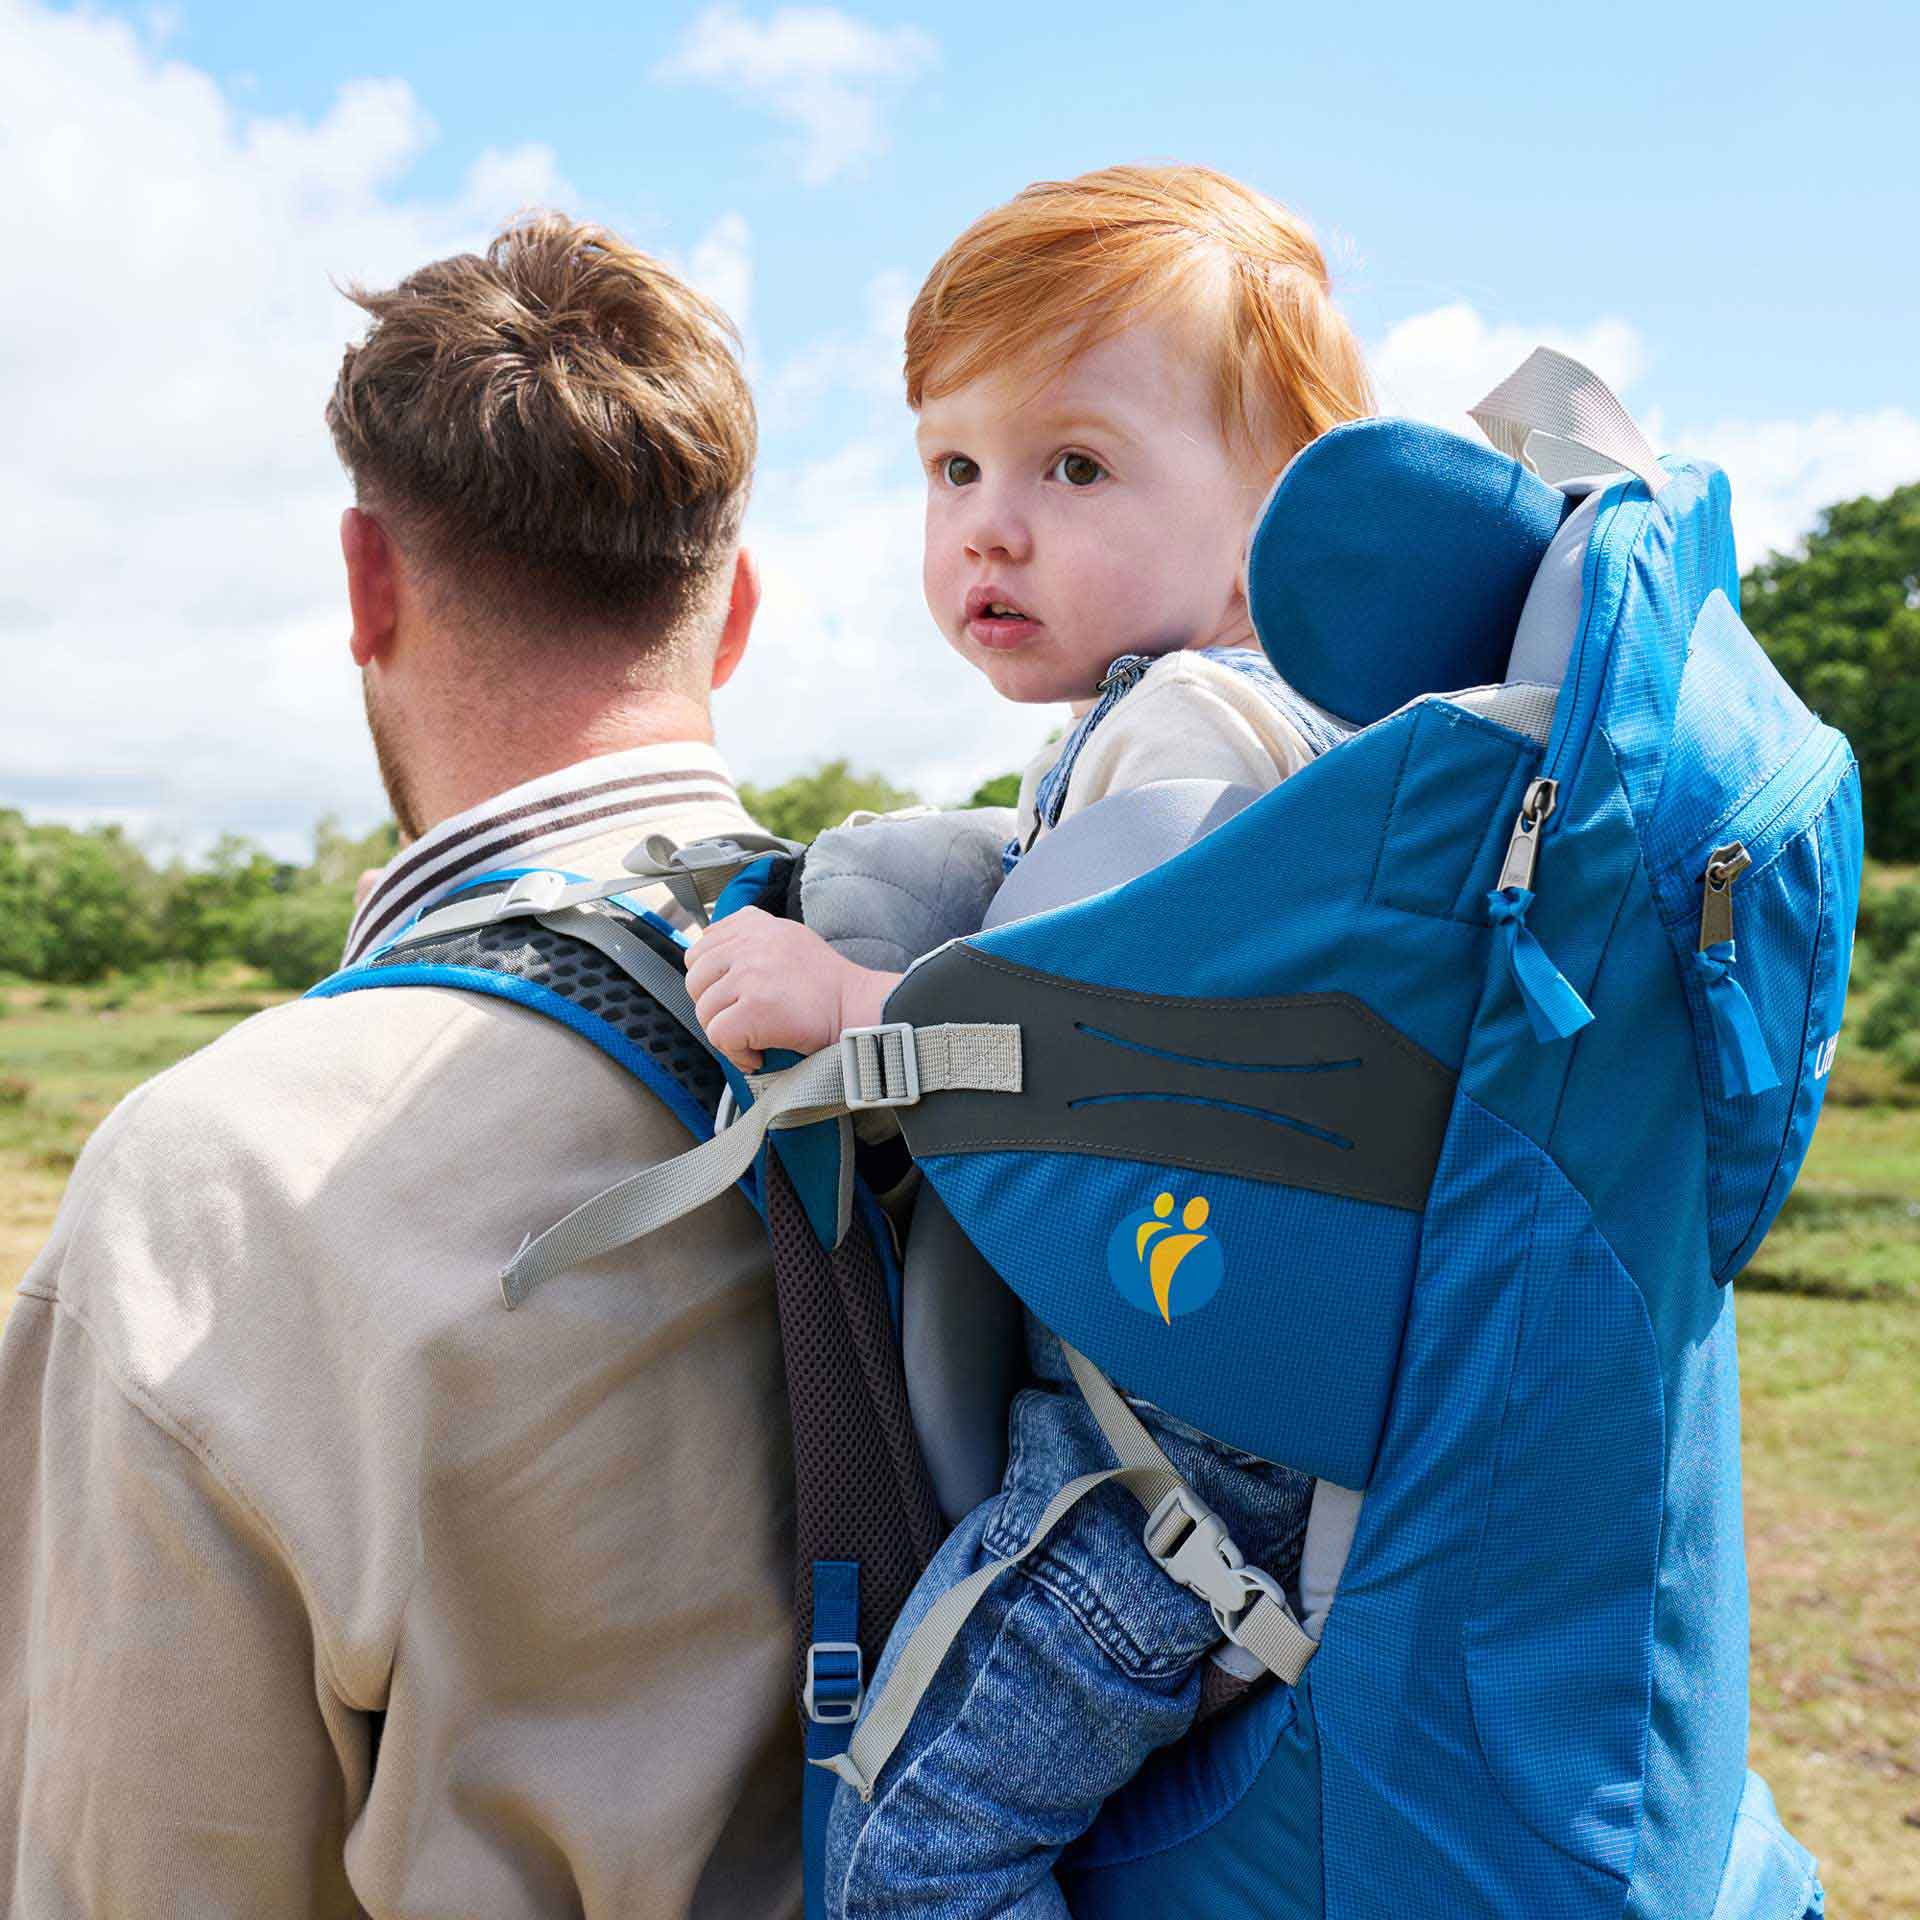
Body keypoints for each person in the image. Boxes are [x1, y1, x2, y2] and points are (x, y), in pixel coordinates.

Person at [0, 215, 801, 1919]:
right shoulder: (1001, 988)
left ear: (369, 584)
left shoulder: (217, 1186)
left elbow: (134, 1869)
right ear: (730, 615)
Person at [687, 165, 1374, 1919]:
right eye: (955, 466)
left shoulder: (1191, 742)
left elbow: (1115, 1063)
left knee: (913, 1851)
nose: (991, 525)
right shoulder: (1287, 724)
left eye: (1073, 465)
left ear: (1284, 506)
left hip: (1176, 1484)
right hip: (1267, 1420)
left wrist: (847, 1009)